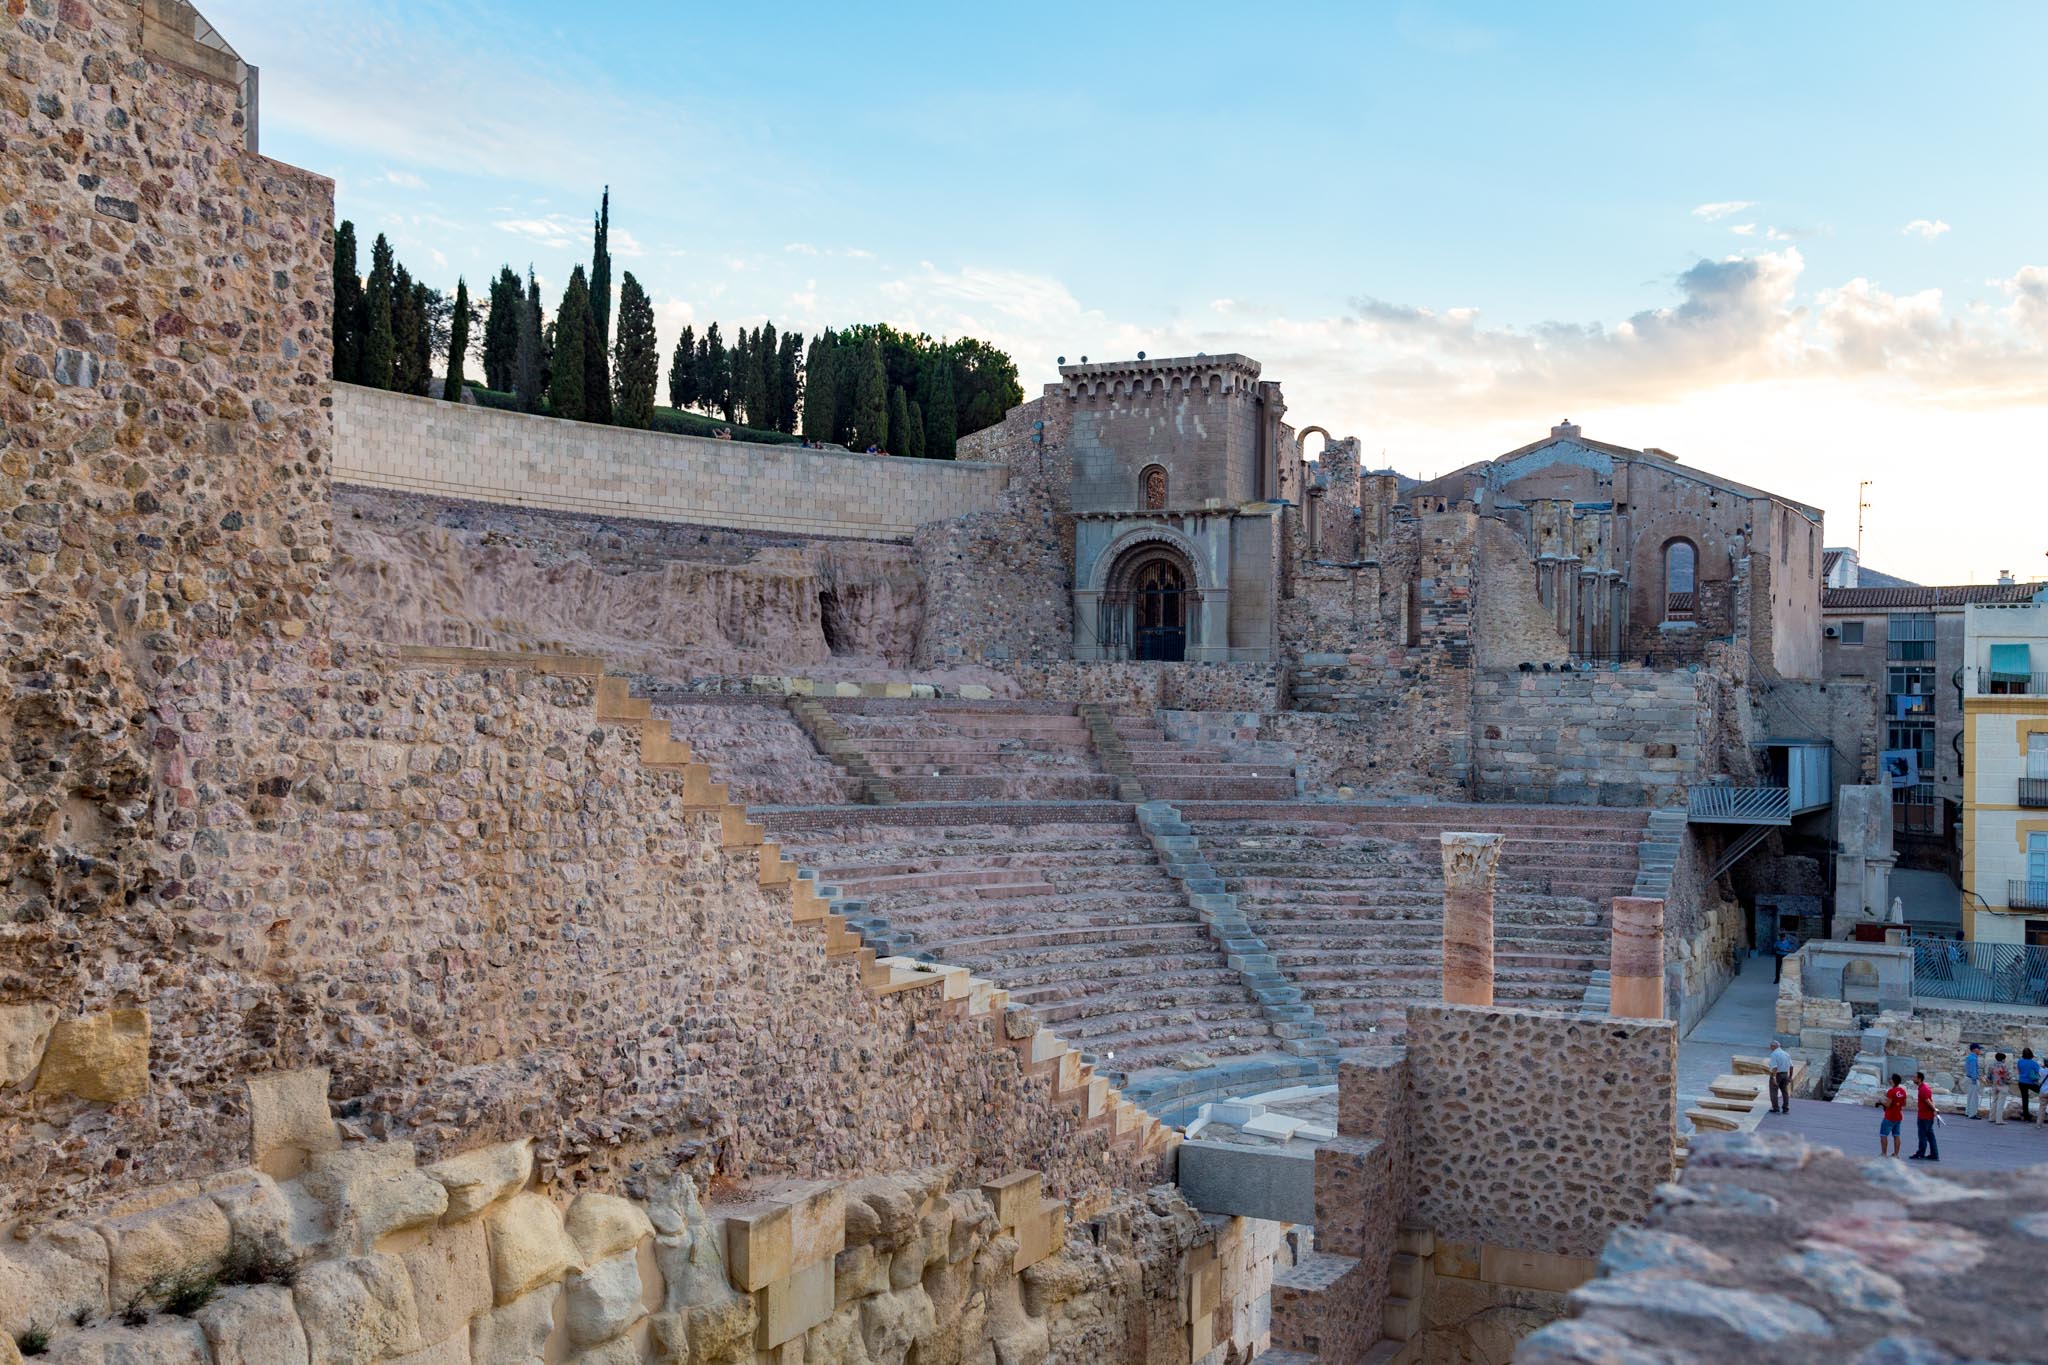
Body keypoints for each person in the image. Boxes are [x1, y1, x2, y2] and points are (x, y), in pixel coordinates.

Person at [1908, 1072, 1940, 1161]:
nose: (1913, 1078)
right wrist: (1934, 1110)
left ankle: (1920, 1153)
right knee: (1930, 1136)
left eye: (1915, 1077)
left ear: (1919, 1079)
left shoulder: (1923, 1089)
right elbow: (1931, 1100)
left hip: (1924, 1116)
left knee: (1922, 1136)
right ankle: (1934, 1154)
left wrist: (1935, 1109)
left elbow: (1928, 1101)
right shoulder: (1925, 1088)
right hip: (1928, 1116)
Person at [1877, 1073, 1907, 1157]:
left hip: (1890, 1116)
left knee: (1883, 1134)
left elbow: (1888, 1105)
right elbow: (1904, 1104)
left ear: (1893, 1081)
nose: (1890, 1080)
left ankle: (1884, 1153)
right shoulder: (1902, 1091)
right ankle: (1896, 1154)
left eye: (1891, 1079)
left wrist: (1881, 1101)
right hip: (1898, 1116)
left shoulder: (1891, 1091)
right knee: (1896, 1135)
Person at [1768, 1041, 1794, 1114]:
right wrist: (1790, 1077)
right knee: (1785, 1092)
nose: (1770, 1048)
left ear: (1774, 1046)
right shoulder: (1786, 1054)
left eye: (1771, 1046)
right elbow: (1791, 1066)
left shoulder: (1774, 1054)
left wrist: (1774, 1077)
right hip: (1785, 1074)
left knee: (1773, 1092)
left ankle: (1776, 1108)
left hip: (1777, 1075)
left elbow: (1775, 1067)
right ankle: (1785, 1108)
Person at [1989, 1051, 2014, 1125]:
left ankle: (1991, 1117)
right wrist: (2009, 1080)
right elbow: (2006, 1076)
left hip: (1994, 1084)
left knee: (1994, 1101)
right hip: (2002, 1085)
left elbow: (1989, 1076)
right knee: (2001, 1103)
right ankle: (1999, 1120)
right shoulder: (2004, 1066)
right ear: (2003, 1059)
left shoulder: (1991, 1065)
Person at [1964, 1042, 1984, 1118]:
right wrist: (1975, 1079)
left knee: (1970, 1096)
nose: (1980, 1051)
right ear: (1975, 1049)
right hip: (1972, 1079)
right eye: (1979, 1049)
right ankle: (1972, 1114)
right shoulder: (1973, 1058)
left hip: (1968, 1078)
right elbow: (1973, 1071)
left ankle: (1968, 1111)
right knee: (1974, 1098)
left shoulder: (1970, 1057)